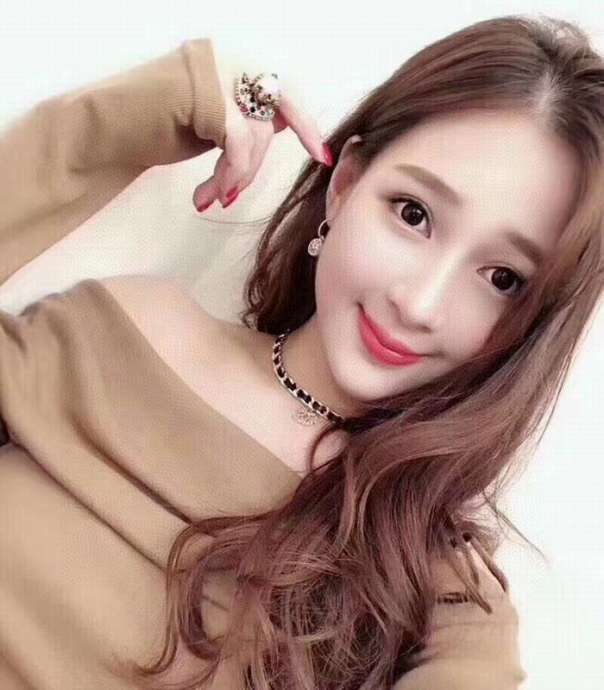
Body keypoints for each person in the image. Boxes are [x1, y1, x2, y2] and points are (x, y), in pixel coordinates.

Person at [1, 12, 602, 689]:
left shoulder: (439, 597)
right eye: (413, 214)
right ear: (344, 186)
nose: (420, 304)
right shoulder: (122, 336)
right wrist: (141, 111)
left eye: (502, 279)